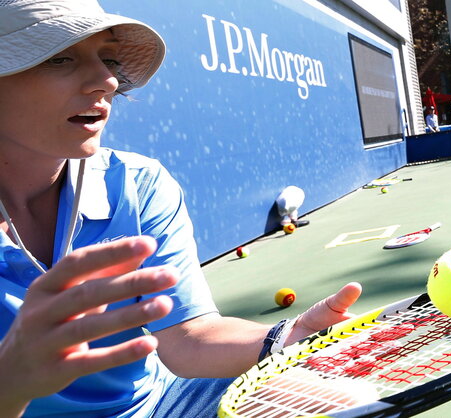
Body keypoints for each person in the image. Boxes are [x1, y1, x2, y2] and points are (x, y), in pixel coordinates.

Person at [0, 1, 362, 417]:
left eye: (108, 58)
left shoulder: (138, 182)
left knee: (339, 405)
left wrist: (285, 337)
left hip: (160, 405)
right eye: (60, 58)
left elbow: (188, 338)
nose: (107, 81)